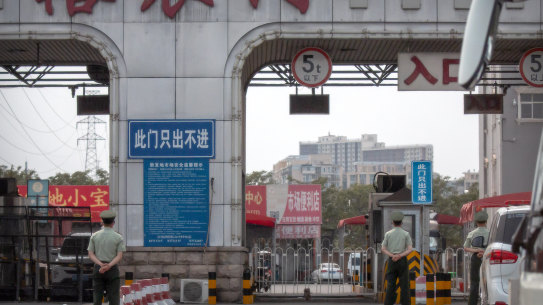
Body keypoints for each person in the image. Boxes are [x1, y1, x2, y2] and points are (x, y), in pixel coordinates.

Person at [88, 210, 126, 305]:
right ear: (113, 223)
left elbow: (91, 254)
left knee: (97, 296)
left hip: (98, 268)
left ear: (102, 222)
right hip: (112, 269)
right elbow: (119, 256)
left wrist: (101, 264)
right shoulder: (118, 237)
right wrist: (109, 265)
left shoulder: (94, 236)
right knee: (114, 296)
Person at [381, 211, 413, 305]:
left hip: (391, 261)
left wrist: (392, 256)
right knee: (404, 285)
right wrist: (400, 256)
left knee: (391, 284)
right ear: (401, 223)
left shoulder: (388, 234)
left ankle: (389, 303)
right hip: (402, 260)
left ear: (393, 222)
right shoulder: (406, 234)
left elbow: (383, 248)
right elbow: (409, 249)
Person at [463, 210, 489, 305]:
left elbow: (465, 247)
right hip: (487, 258)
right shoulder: (490, 233)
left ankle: (472, 303)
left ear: (476, 222)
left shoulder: (472, 233)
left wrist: (476, 251)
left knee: (474, 281)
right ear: (486, 222)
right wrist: (483, 252)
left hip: (475, 258)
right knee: (487, 281)